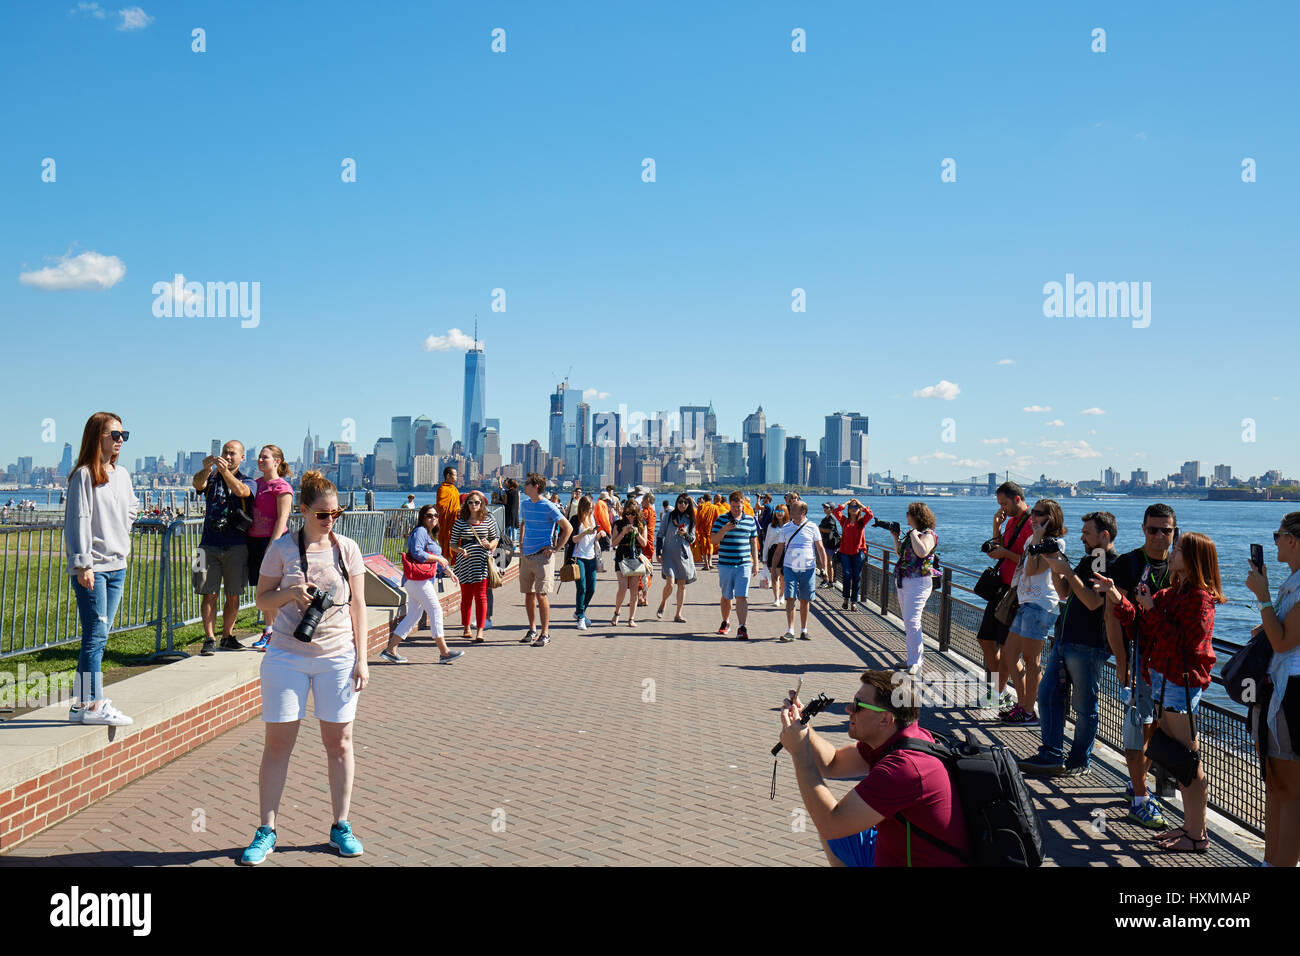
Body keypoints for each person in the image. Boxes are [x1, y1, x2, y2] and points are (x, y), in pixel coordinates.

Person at [242, 471, 369, 864]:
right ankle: (266, 830)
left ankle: (340, 825)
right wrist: (291, 593)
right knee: (278, 746)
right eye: (322, 514)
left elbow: (358, 606)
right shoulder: (280, 549)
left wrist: (362, 658)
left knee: (340, 743)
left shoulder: (347, 549)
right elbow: (262, 600)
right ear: (302, 511)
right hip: (285, 657)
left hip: (337, 657)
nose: (330, 520)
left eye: (336, 513)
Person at [1098, 531, 1224, 853]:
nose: (1172, 551)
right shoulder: (1174, 591)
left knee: (1187, 761)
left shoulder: (1200, 598)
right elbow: (1140, 623)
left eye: (1179, 549)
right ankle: (1190, 827)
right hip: (1164, 683)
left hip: (1180, 686)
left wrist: (1151, 608)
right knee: (1179, 759)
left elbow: (1185, 647)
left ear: (1194, 559)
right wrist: (1116, 596)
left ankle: (1197, 834)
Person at [779, 671, 970, 867]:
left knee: (834, 824)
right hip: (896, 851)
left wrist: (800, 754)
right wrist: (803, 727)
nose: (848, 709)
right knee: (839, 830)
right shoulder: (901, 738)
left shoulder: (905, 767)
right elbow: (833, 763)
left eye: (858, 705)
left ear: (885, 720)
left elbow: (831, 824)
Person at [1019, 511, 1121, 776]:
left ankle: (1079, 761)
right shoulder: (1091, 559)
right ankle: (1051, 753)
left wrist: (1066, 571)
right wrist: (1056, 568)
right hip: (1066, 639)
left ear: (1104, 535)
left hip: (1088, 644)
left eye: (1087, 532)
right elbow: (1065, 592)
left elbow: (1093, 602)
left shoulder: (1109, 563)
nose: (1082, 537)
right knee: (1048, 694)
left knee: (1084, 707)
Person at [1099, 503, 1179, 831]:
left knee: (1160, 729)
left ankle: (1141, 785)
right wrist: (1121, 662)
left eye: (1167, 530)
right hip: (1139, 659)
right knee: (1138, 729)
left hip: (1171, 666)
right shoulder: (1127, 564)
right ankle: (1140, 800)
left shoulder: (1180, 567)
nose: (1160, 536)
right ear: (1143, 529)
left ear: (1175, 532)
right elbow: (1112, 616)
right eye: (1153, 530)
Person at [65, 412, 138, 726]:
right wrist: (83, 563)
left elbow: (132, 507)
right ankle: (94, 705)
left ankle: (81, 703)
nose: (120, 440)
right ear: (98, 437)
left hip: (117, 565)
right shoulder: (84, 475)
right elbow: (77, 520)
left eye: (123, 435)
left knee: (97, 636)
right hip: (92, 567)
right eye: (114, 434)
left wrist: (121, 532)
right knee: (95, 637)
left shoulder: (121, 474)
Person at [1245, 511, 1300, 867]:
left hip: (1293, 691)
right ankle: (1271, 860)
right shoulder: (1292, 583)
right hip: (1280, 689)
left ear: (1293, 540)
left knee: (1290, 789)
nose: (1275, 540)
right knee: (1276, 783)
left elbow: (1284, 643)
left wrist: (1263, 597)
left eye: (1278, 535)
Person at [999, 499, 1067, 725]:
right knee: (1009, 653)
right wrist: (1034, 539)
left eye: (1039, 514)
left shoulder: (1056, 544)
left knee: (1031, 660)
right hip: (1025, 602)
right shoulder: (1032, 539)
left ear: (1051, 517)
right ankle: (1023, 704)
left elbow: (1031, 568)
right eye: (1033, 513)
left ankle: (1028, 711)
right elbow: (1025, 569)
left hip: (1041, 606)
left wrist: (1038, 539)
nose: (1033, 517)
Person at [976, 482, 1035, 709]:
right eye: (1000, 504)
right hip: (1001, 588)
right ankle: (998, 692)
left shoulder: (1031, 524)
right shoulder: (1010, 521)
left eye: (1004, 503)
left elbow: (1031, 561)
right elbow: (1002, 549)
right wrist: (995, 528)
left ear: (1017, 499)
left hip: (1016, 592)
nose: (1002, 508)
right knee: (985, 640)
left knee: (1008, 649)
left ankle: (1005, 697)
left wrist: (1005, 553)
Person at [192, 440, 254, 655]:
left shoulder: (248, 480)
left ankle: (227, 636)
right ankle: (209, 638)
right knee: (207, 592)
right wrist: (207, 469)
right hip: (207, 544)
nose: (228, 457)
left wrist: (225, 472)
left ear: (242, 457)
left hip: (237, 545)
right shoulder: (212, 478)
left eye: (232, 453)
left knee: (233, 594)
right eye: (225, 453)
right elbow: (197, 484)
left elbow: (241, 492)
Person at [382, 506, 464, 664]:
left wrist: (449, 571)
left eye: (436, 515)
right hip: (417, 580)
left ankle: (390, 650)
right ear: (422, 517)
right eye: (429, 516)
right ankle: (444, 652)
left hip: (419, 581)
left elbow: (437, 557)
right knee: (435, 610)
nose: (433, 518)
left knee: (414, 615)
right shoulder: (420, 531)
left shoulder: (430, 535)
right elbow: (417, 553)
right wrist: (439, 559)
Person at [248, 445, 294, 651]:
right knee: (264, 589)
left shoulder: (282, 487)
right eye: (259, 457)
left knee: (274, 588)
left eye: (264, 457)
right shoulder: (255, 484)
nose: (260, 460)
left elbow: (282, 517)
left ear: (276, 461)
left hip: (275, 541)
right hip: (254, 540)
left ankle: (277, 632)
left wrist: (272, 545)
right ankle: (269, 630)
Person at [517, 473, 571, 647]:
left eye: (527, 484)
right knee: (528, 594)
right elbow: (524, 523)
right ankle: (532, 629)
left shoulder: (549, 506)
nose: (524, 486)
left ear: (536, 487)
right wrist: (521, 544)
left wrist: (556, 548)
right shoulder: (524, 505)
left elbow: (567, 528)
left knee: (541, 595)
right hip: (527, 555)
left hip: (543, 557)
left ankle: (545, 633)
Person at [890, 503, 938, 675]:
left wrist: (914, 536)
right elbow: (901, 555)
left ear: (916, 516)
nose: (906, 518)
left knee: (912, 620)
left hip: (919, 582)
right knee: (908, 621)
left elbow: (922, 552)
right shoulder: (913, 535)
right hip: (904, 580)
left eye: (909, 514)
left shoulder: (928, 535)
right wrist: (896, 537)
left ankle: (916, 661)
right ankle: (911, 658)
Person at [772, 500, 829, 642]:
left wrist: (824, 568)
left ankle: (804, 630)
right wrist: (773, 568)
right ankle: (790, 630)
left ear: (803, 512)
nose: (790, 512)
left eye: (794, 509)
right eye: (790, 509)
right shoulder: (785, 528)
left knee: (805, 599)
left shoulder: (812, 527)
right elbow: (779, 550)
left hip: (808, 568)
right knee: (790, 598)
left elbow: (820, 549)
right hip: (790, 567)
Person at [450, 490, 499, 643]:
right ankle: (466, 627)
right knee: (466, 598)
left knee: (481, 597)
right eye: (470, 502)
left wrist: (489, 544)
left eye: (476, 502)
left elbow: (495, 538)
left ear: (482, 504)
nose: (473, 505)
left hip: (482, 564)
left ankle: (480, 630)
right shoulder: (460, 522)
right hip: (465, 563)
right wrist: (460, 550)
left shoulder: (488, 520)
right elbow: (452, 543)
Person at [711, 491, 759, 639]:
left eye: (739, 506)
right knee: (726, 596)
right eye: (733, 507)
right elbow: (713, 540)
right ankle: (725, 621)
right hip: (725, 564)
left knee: (742, 596)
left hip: (744, 563)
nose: (736, 509)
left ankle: (742, 626)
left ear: (743, 504)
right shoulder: (721, 519)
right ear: (729, 505)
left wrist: (756, 563)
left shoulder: (750, 520)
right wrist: (724, 529)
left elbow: (753, 543)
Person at [656, 493, 697, 621]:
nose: (682, 505)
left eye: (685, 503)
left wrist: (685, 534)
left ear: (688, 505)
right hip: (668, 554)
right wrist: (658, 552)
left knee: (681, 585)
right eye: (680, 502)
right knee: (670, 583)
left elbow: (692, 539)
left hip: (683, 555)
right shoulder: (668, 517)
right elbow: (660, 534)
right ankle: (663, 603)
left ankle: (678, 614)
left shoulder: (690, 519)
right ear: (676, 503)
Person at [609, 501, 648, 626]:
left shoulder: (642, 525)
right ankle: (617, 612)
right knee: (622, 586)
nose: (629, 517)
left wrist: (636, 534)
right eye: (627, 514)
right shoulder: (618, 524)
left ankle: (631, 618)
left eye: (632, 514)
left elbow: (644, 543)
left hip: (635, 557)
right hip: (622, 556)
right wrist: (623, 532)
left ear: (637, 514)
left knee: (634, 589)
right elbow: (613, 543)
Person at [833, 498, 874, 610]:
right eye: (851, 507)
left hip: (858, 553)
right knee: (846, 576)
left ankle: (854, 602)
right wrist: (845, 503)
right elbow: (835, 512)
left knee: (856, 577)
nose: (853, 509)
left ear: (859, 509)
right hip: (845, 552)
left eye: (855, 507)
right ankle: (846, 599)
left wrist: (860, 504)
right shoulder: (844, 521)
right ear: (848, 509)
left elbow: (870, 514)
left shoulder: (862, 522)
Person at [567, 495, 601, 629]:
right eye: (588, 509)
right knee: (582, 587)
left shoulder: (593, 518)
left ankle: (579, 612)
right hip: (578, 556)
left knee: (591, 588)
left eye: (592, 508)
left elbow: (593, 539)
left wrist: (599, 535)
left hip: (591, 556)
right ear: (583, 508)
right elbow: (573, 539)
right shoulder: (576, 519)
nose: (590, 511)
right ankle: (581, 617)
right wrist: (585, 533)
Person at [763, 504, 789, 605]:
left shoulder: (789, 525)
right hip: (773, 551)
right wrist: (764, 557)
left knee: (783, 576)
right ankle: (776, 598)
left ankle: (782, 595)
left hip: (785, 552)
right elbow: (767, 542)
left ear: (786, 512)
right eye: (777, 511)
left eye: (782, 511)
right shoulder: (771, 526)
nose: (779, 513)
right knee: (774, 575)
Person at [435, 467, 460, 556]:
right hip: (445, 521)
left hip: (454, 521)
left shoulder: (455, 490)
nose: (456, 477)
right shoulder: (442, 489)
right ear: (448, 476)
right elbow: (440, 506)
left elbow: (457, 504)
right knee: (445, 543)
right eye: (455, 475)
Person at [639, 493, 656, 605]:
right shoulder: (653, 512)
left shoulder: (645, 512)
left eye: (643, 500)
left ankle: (640, 597)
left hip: (643, 545)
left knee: (640, 571)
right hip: (650, 544)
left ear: (648, 500)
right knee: (647, 570)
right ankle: (645, 597)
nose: (641, 502)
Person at [818, 503, 840, 590]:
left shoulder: (831, 519)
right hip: (825, 543)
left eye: (827, 507)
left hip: (830, 544)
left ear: (831, 509)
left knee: (828, 562)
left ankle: (829, 581)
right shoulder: (825, 519)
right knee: (824, 562)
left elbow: (830, 530)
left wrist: (819, 529)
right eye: (824, 507)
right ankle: (827, 580)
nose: (824, 509)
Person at [694, 494, 715, 569]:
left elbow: (698, 518)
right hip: (711, 530)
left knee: (704, 547)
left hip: (702, 530)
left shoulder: (701, 507)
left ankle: (706, 564)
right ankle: (710, 562)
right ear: (711, 499)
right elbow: (717, 519)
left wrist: (697, 527)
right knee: (710, 546)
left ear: (704, 499)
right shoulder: (714, 507)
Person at [498, 477, 521, 547]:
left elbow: (501, 490)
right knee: (514, 530)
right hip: (515, 514)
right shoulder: (517, 492)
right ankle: (514, 545)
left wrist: (499, 481)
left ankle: (509, 545)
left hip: (508, 514)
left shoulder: (507, 492)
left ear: (510, 485)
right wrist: (518, 511)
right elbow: (519, 503)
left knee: (508, 531)